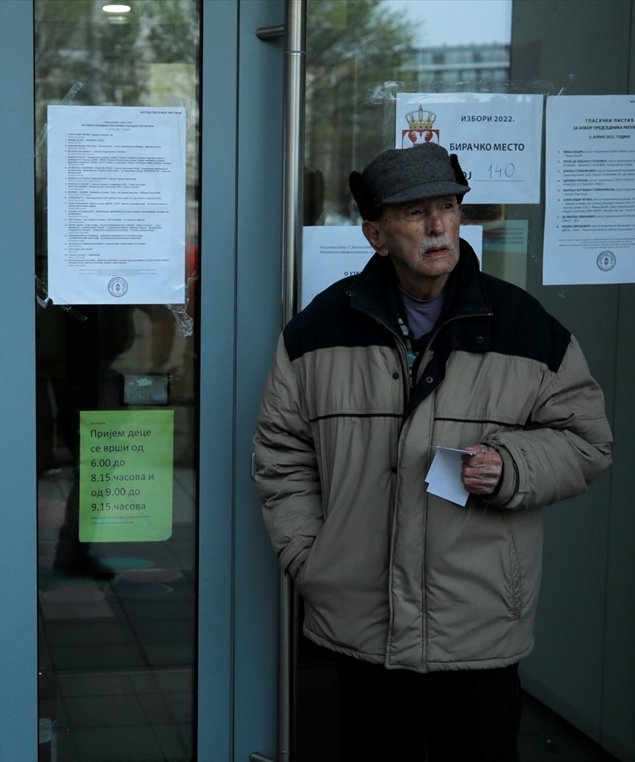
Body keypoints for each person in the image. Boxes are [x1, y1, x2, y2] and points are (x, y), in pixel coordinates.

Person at [252, 142, 613, 761]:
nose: (439, 225)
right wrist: (311, 559)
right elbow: (281, 454)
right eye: (416, 213)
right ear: (376, 234)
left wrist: (514, 466)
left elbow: (586, 440)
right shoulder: (317, 332)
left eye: (448, 207)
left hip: (477, 623)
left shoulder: (525, 326)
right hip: (361, 620)